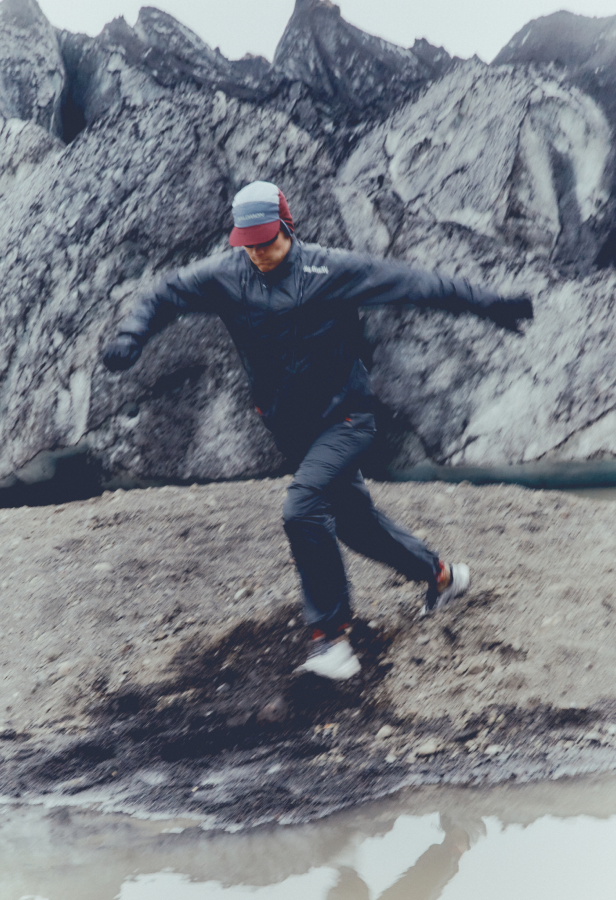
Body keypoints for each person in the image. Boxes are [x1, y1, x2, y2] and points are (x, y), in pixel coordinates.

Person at [103, 180, 532, 680]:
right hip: (290, 428)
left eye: (267, 241)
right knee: (354, 523)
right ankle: (441, 576)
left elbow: (414, 283)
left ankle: (331, 639)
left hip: (346, 416)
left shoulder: (329, 270)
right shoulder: (225, 276)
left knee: (302, 509)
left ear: (286, 227)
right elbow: (164, 293)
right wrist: (133, 334)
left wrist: (488, 303)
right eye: (249, 243)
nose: (259, 252)